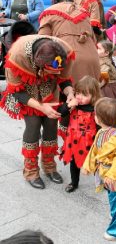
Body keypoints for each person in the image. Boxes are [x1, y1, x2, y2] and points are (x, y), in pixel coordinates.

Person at [0, 34, 74, 189]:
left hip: (50, 90)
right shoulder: (17, 56)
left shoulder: (65, 51)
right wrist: (41, 107)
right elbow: (16, 91)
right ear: (37, 63)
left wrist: (70, 93)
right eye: (49, 70)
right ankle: (31, 170)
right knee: (33, 126)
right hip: (27, 92)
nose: (52, 73)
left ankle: (49, 166)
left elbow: (64, 78)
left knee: (51, 125)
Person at [38, 0, 100, 140]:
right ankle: (91, 137)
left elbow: (42, 43)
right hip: (92, 57)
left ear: (53, 0)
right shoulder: (83, 12)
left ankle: (71, 141)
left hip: (69, 58)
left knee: (69, 99)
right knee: (88, 97)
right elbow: (94, 38)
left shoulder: (49, 12)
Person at [83, 97, 116, 241]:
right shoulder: (101, 132)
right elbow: (95, 150)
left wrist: (113, 176)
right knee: (114, 199)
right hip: (107, 175)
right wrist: (89, 165)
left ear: (98, 119)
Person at [59, 75, 101, 193]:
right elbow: (60, 113)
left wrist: (99, 142)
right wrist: (68, 105)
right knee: (74, 162)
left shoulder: (95, 108)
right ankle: (74, 182)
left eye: (84, 95)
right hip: (74, 141)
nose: (79, 97)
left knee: (96, 161)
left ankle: (100, 181)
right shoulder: (74, 106)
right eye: (78, 93)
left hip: (90, 141)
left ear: (94, 95)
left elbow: (100, 126)